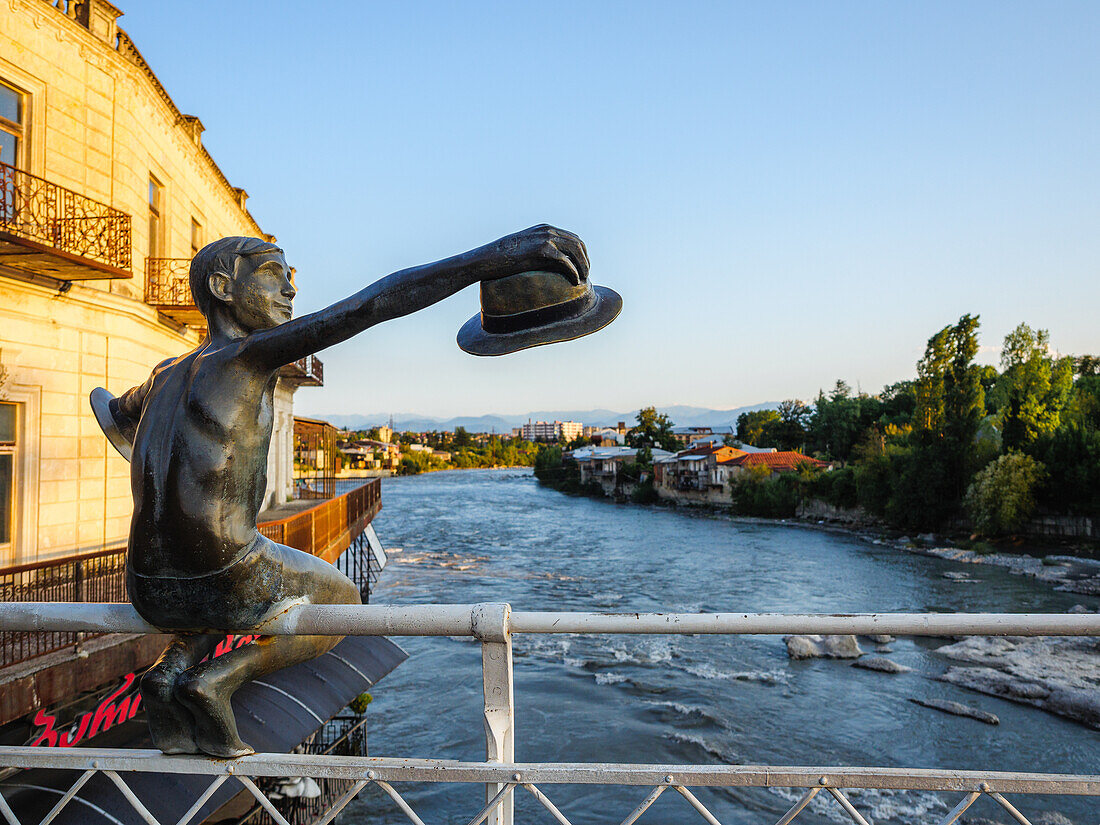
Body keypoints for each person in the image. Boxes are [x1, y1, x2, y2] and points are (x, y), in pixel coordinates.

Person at [108, 226, 589, 757]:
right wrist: (496, 257)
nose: (291, 290)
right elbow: (375, 304)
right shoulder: (245, 358)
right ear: (223, 287)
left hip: (147, 585)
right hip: (223, 569)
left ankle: (168, 671)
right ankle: (216, 680)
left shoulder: (163, 372)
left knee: (222, 598)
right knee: (341, 600)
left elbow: (111, 410)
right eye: (272, 274)